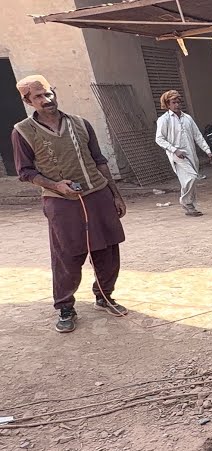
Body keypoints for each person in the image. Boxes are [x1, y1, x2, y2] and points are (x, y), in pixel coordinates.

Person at [11, 75, 128, 333]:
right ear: (28, 100)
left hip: (98, 194)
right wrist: (56, 185)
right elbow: (25, 172)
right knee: (68, 254)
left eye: (48, 93)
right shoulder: (22, 132)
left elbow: (99, 160)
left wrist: (115, 194)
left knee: (108, 250)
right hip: (61, 202)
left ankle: (104, 296)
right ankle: (65, 306)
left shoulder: (80, 124)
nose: (46, 99)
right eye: (39, 96)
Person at [155, 89, 212, 217]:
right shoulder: (164, 120)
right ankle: (186, 203)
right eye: (173, 102)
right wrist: (174, 150)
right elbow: (159, 139)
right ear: (167, 104)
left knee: (187, 180)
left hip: (191, 153)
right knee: (192, 177)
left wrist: (207, 151)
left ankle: (190, 206)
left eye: (178, 102)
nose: (177, 105)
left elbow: (197, 136)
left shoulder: (187, 118)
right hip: (176, 155)